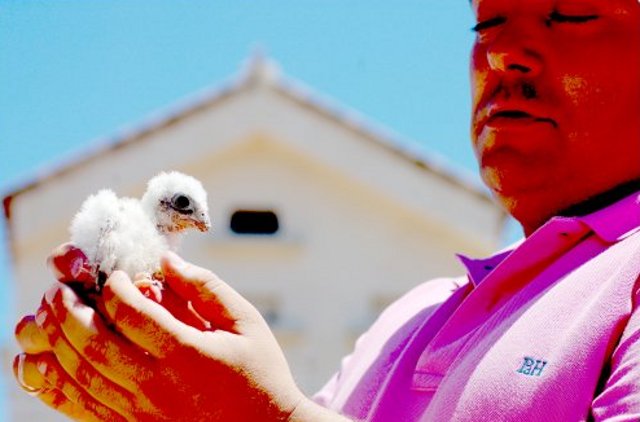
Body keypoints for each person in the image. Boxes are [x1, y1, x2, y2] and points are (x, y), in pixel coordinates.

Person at [13, 0, 640, 420]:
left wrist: (267, 415)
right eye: (487, 22)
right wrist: (168, 386)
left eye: (572, 13)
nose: (505, 54)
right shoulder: (406, 321)